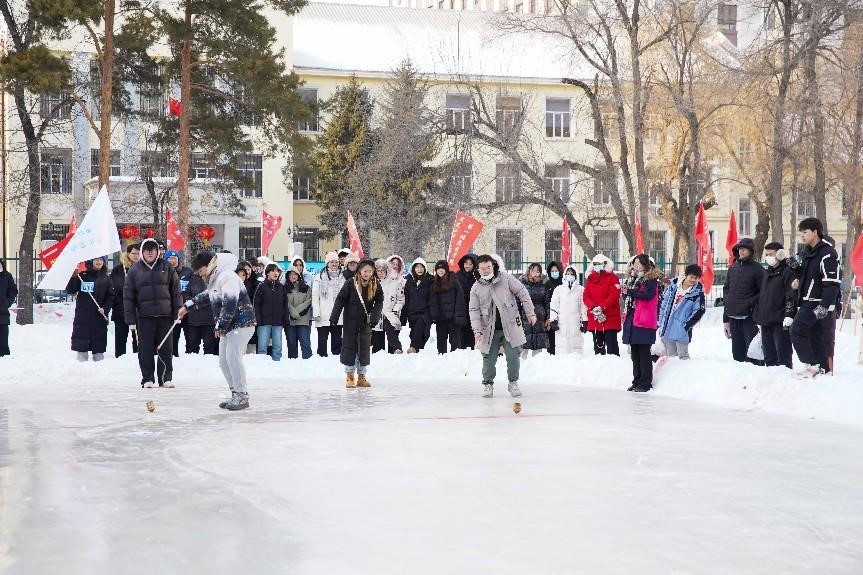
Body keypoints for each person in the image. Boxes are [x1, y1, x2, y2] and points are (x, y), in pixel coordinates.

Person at [180, 252, 257, 410]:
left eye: (201, 271)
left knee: (233, 358)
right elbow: (207, 296)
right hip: (229, 326)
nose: (200, 275)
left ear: (209, 265)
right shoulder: (216, 278)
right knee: (223, 362)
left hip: (242, 323)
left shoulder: (227, 276)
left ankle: (242, 395)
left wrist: (221, 325)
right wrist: (187, 307)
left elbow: (231, 302)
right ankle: (235, 393)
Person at [469, 254, 536, 398]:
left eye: (488, 267)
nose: (486, 270)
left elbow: (522, 292)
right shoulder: (476, 287)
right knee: (488, 358)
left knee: (513, 357)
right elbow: (474, 310)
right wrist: (477, 330)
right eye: (483, 268)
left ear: (492, 265)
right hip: (489, 330)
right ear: (478, 269)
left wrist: (530, 312)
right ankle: (488, 384)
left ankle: (513, 383)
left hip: (510, 326)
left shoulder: (505, 278)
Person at [124, 238, 181, 388]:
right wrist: (130, 319)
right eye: (147, 249)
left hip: (165, 316)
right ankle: (147, 378)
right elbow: (128, 296)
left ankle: (165, 378)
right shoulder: (135, 270)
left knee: (166, 348)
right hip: (144, 317)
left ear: (158, 251)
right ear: (142, 252)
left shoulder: (167, 267)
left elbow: (176, 292)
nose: (150, 252)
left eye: (153, 249)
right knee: (145, 349)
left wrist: (178, 313)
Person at [791, 218, 840, 378]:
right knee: (815, 336)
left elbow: (832, 283)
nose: (802, 236)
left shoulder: (827, 253)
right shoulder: (807, 252)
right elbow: (807, 275)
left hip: (817, 304)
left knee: (796, 330)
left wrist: (824, 307)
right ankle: (821, 369)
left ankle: (811, 364)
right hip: (806, 301)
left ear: (815, 232)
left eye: (805, 232)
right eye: (801, 233)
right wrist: (796, 274)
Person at [330, 259, 384, 388]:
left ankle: (361, 376)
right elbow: (340, 300)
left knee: (364, 349)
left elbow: (380, 301)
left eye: (370, 271)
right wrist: (334, 316)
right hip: (350, 322)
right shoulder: (351, 283)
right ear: (360, 270)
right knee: (350, 348)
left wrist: (375, 317)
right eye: (365, 271)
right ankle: (349, 376)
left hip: (366, 323)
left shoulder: (375, 284)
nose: (368, 273)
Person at [621, 254, 662, 392]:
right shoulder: (634, 279)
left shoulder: (651, 280)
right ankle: (637, 380)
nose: (636, 265)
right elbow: (630, 296)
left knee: (644, 353)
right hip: (633, 320)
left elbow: (646, 295)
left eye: (639, 263)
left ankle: (645, 383)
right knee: (635, 354)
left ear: (646, 264)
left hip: (644, 321)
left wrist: (630, 291)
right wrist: (626, 291)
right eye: (635, 263)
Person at [722, 237, 766, 363]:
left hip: (749, 317)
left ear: (751, 251)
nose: (741, 251)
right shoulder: (733, 267)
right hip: (733, 316)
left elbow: (763, 291)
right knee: (737, 353)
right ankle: (739, 379)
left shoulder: (757, 269)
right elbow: (726, 288)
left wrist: (750, 303)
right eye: (739, 249)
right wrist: (727, 305)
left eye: (744, 249)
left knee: (752, 353)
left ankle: (755, 380)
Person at [753, 243, 797, 369]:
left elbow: (791, 295)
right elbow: (763, 295)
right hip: (766, 321)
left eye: (770, 254)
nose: (768, 257)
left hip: (781, 322)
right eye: (766, 255)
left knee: (783, 356)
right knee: (769, 357)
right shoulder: (767, 273)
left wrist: (789, 314)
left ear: (780, 254)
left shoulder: (788, 272)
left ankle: (785, 384)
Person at [66, 257, 113, 362]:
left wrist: (105, 309)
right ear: (91, 262)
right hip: (83, 319)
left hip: (99, 319)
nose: (98, 261)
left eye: (101, 259)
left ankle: (99, 374)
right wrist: (73, 277)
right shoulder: (82, 276)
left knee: (99, 351)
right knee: (82, 350)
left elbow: (110, 297)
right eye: (96, 259)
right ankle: (82, 373)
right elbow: (71, 290)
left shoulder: (106, 278)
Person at [657, 264, 706, 360]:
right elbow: (664, 304)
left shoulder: (697, 293)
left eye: (696, 278)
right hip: (667, 327)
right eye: (691, 277)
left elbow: (699, 311)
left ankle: (684, 375)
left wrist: (686, 325)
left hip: (682, 330)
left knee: (683, 358)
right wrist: (661, 321)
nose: (693, 280)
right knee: (670, 358)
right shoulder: (673, 287)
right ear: (686, 275)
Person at [583, 254, 622, 356]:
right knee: (598, 349)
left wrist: (602, 306)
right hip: (595, 317)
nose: (597, 266)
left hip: (610, 317)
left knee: (612, 349)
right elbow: (586, 297)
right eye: (595, 264)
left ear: (605, 264)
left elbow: (614, 295)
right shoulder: (591, 279)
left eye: (599, 264)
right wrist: (593, 307)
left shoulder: (613, 278)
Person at [312, 251, 346, 357]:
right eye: (332, 262)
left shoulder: (343, 277)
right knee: (322, 344)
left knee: (337, 345)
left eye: (336, 262)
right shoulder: (320, 277)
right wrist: (316, 312)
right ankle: (322, 364)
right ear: (327, 263)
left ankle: (335, 365)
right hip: (323, 315)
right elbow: (315, 297)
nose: (334, 264)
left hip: (338, 316)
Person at [110, 243, 140, 357]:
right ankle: (120, 357)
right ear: (128, 254)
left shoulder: (143, 268)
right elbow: (113, 288)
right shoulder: (118, 270)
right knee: (121, 337)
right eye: (133, 253)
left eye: (138, 253)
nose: (136, 256)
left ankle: (138, 358)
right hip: (121, 309)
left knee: (138, 338)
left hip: (138, 310)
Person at [430, 260, 466, 353]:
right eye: (438, 269)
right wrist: (434, 314)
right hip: (440, 318)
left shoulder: (454, 280)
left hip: (453, 318)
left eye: (442, 269)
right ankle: (442, 361)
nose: (440, 271)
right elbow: (433, 301)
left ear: (446, 269)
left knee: (455, 343)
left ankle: (456, 362)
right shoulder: (435, 282)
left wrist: (458, 316)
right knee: (441, 343)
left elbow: (460, 299)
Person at [549, 265, 585, 355]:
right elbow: (554, 305)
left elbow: (583, 307)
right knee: (562, 346)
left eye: (572, 274)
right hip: (562, 323)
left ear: (576, 276)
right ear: (564, 275)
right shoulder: (559, 289)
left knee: (576, 346)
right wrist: (553, 320)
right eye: (567, 273)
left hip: (575, 322)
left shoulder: (581, 289)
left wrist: (585, 320)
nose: (569, 275)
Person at [253, 263, 286, 361]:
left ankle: (277, 366)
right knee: (262, 347)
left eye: (278, 271)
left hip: (278, 322)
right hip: (264, 322)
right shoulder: (261, 286)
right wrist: (258, 319)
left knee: (277, 347)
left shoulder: (281, 287)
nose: (276, 273)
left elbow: (285, 305)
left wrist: (284, 319)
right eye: (273, 271)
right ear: (267, 273)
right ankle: (262, 367)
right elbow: (256, 304)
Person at [183, 262, 217, 355]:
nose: (200, 272)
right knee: (193, 347)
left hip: (209, 320)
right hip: (194, 319)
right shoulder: (192, 278)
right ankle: (194, 368)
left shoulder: (213, 278)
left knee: (209, 347)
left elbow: (212, 296)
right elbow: (187, 295)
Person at [165, 249, 193, 358]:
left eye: (174, 258)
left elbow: (193, 289)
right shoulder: (163, 273)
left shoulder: (187, 272)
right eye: (170, 259)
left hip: (187, 309)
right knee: (173, 336)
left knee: (189, 337)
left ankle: (190, 356)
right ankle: (173, 355)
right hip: (172, 310)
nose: (172, 261)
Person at [403, 257, 433, 353]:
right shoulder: (408, 281)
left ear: (425, 268)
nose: (419, 269)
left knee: (423, 329)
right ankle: (416, 349)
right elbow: (406, 297)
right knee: (414, 332)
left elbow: (432, 296)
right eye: (417, 267)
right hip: (412, 311)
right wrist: (405, 313)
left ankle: (414, 347)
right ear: (413, 269)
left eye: (421, 267)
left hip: (425, 311)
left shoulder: (430, 280)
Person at [520, 263, 549, 358]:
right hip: (525, 316)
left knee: (538, 343)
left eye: (538, 271)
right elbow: (516, 300)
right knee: (524, 342)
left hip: (539, 316)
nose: (535, 273)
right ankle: (522, 365)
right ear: (529, 271)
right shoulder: (521, 283)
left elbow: (547, 302)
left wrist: (548, 317)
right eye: (533, 270)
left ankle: (537, 366)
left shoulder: (543, 284)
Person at [379, 255, 406, 354]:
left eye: (397, 265)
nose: (395, 266)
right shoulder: (378, 280)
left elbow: (401, 298)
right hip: (379, 314)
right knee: (378, 345)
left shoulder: (400, 281)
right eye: (392, 264)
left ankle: (396, 350)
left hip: (393, 313)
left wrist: (396, 310)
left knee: (392, 332)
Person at [285, 268, 313, 359]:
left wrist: (296, 312)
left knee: (305, 343)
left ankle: (308, 363)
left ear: (299, 276)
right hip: (290, 321)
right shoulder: (284, 288)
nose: (293, 276)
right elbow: (285, 303)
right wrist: (292, 312)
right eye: (290, 274)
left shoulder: (306, 288)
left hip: (303, 320)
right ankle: (293, 366)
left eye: (295, 274)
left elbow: (308, 302)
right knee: (291, 344)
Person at [455, 254, 477, 349]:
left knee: (472, 328)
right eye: (465, 263)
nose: (467, 266)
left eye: (470, 264)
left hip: (474, 307)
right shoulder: (457, 275)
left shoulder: (477, 276)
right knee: (461, 329)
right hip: (461, 308)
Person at [544, 261, 563, 354]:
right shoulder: (547, 284)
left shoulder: (564, 284)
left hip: (563, 315)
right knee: (551, 340)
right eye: (552, 271)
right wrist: (548, 317)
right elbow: (545, 301)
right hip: (550, 316)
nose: (554, 272)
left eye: (556, 270)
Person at [0, 259, 17, 357]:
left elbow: (12, 291)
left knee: (3, 342)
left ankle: (5, 359)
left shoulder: (7, 276)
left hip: (2, 314)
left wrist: (7, 303)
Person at [372, 260, 390, 353]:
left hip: (388, 313)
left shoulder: (390, 282)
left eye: (383, 270)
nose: (381, 273)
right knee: (377, 342)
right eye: (378, 271)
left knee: (391, 338)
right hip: (376, 315)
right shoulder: (372, 283)